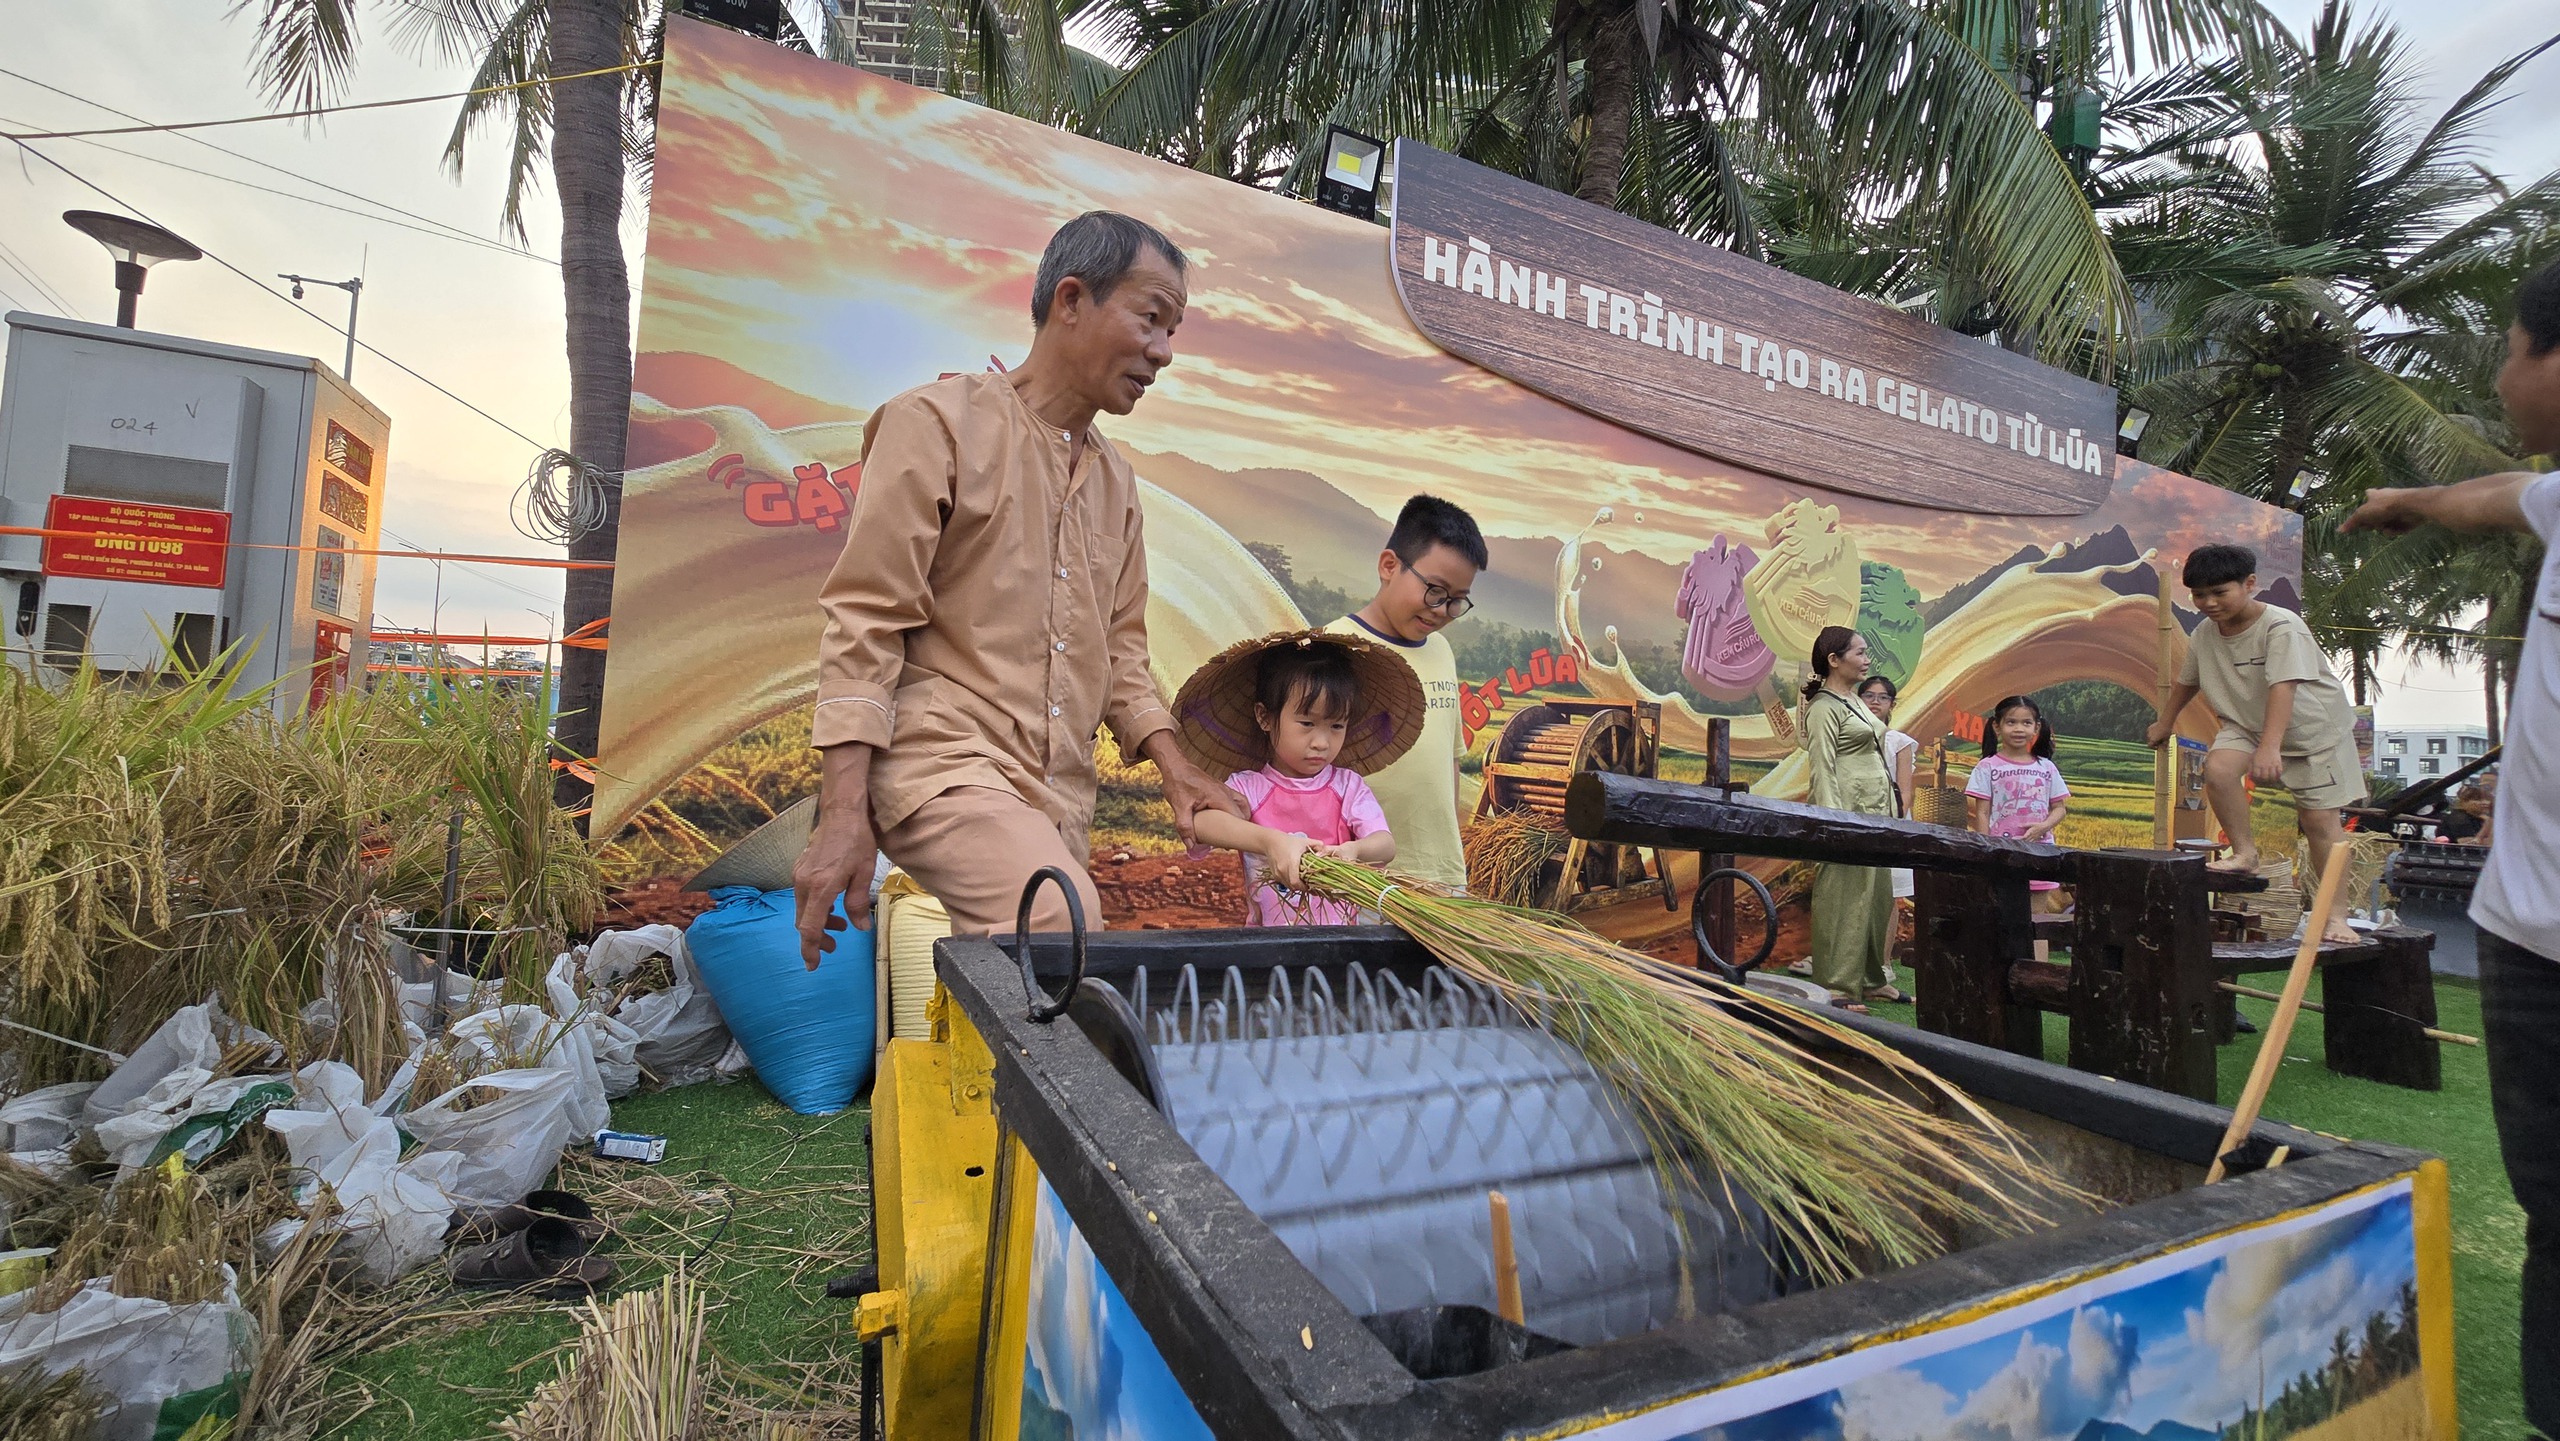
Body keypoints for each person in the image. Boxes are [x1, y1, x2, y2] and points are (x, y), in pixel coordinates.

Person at [791, 212, 1243, 962]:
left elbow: (1123, 658)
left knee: (1032, 980)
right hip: (939, 755)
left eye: (1174, 333)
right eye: (1151, 320)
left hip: (1056, 791)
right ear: (1071, 299)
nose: (1163, 353)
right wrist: (842, 813)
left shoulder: (1117, 484)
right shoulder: (934, 425)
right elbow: (866, 619)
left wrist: (1177, 770)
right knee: (1056, 921)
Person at [2342, 254, 2560, 1437]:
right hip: (2529, 942)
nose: (2496, 368)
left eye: (2509, 345)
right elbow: (2501, 496)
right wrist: (2411, 503)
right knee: (2552, 1211)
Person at [2144, 543, 2365, 945]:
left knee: (2319, 822)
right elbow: (2188, 680)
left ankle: (2335, 916)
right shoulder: (2205, 633)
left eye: (2219, 592)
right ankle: (2245, 853)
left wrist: (2270, 748)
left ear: (2249, 584)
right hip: (2245, 724)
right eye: (2198, 594)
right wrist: (2165, 721)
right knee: (2219, 769)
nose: (2208, 602)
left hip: (2312, 733)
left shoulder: (2282, 627)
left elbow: (2285, 686)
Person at [1172, 632, 1421, 925]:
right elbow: (1201, 824)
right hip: (1268, 945)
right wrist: (1271, 842)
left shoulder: (1347, 787)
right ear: (1264, 717)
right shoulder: (1248, 788)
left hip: (1338, 941)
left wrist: (1353, 850)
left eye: (1336, 725)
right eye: (1307, 723)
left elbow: (1385, 845)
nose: (1322, 742)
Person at [1327, 495, 1487, 894]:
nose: (1441, 610)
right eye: (1435, 591)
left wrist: (1450, 862)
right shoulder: (1335, 650)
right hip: (1361, 881)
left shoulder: (1442, 653)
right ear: (1389, 566)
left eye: (1456, 601)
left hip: (1440, 881)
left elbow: (1447, 763)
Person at [1802, 626, 1903, 1008]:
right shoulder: (1824, 707)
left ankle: (1871, 978)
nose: (1867, 660)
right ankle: (1836, 986)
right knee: (1843, 895)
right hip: (1847, 810)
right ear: (1834, 660)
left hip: (1876, 808)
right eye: (1860, 653)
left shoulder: (1854, 700)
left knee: (1876, 894)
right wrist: (1833, 821)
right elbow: (1822, 768)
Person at [1967, 696, 2070, 909]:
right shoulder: (1987, 767)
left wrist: (2043, 827)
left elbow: (2060, 809)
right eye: (2011, 722)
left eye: (2026, 723)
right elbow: (1983, 813)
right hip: (2001, 854)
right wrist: (1987, 851)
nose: (2018, 729)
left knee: (2037, 921)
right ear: (1997, 726)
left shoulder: (2046, 768)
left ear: (2037, 728)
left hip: (2040, 852)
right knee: (2002, 918)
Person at [1860, 676, 1919, 908]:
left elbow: (1905, 791)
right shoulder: (1844, 738)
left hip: (1891, 823)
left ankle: (1883, 946)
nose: (1876, 702)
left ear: (1892, 704)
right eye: (1869, 696)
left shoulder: (1899, 742)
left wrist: (1895, 823)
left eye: (1883, 697)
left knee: (1889, 898)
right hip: (1854, 819)